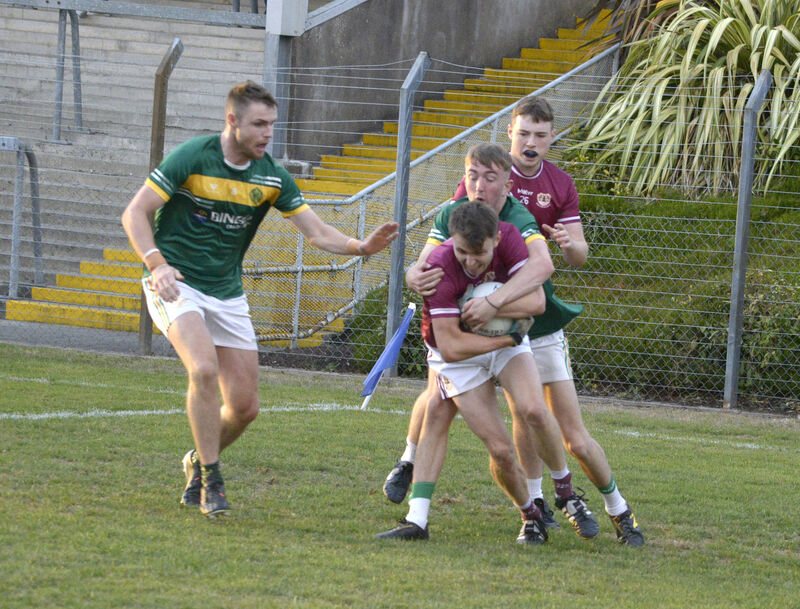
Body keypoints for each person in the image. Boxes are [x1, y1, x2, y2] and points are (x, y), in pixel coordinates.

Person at [121, 80, 398, 518]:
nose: (268, 134)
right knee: (204, 367)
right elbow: (135, 212)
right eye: (259, 124)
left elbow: (318, 232)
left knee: (246, 408)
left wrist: (360, 247)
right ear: (232, 121)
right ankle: (212, 479)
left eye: (272, 124)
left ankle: (196, 458)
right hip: (176, 282)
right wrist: (156, 264)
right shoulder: (193, 157)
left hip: (226, 291)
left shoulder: (271, 176)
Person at [384, 98, 644, 546]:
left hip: (527, 326)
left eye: (540, 135)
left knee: (554, 426)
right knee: (442, 405)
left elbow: (549, 274)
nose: (531, 142)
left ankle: (601, 504)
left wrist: (499, 305)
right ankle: (429, 491)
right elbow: (429, 264)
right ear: (510, 134)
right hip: (479, 331)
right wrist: (414, 273)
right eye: (524, 133)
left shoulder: (538, 201)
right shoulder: (461, 207)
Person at [376, 200, 549, 544]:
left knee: (534, 410)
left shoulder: (511, 238)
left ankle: (563, 488)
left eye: (479, 254)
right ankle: (531, 514)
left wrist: (493, 305)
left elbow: (538, 303)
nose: (470, 262)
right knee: (498, 448)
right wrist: (505, 339)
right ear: (451, 240)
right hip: (459, 353)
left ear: (495, 240)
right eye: (462, 252)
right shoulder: (439, 266)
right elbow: (453, 348)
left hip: (505, 340)